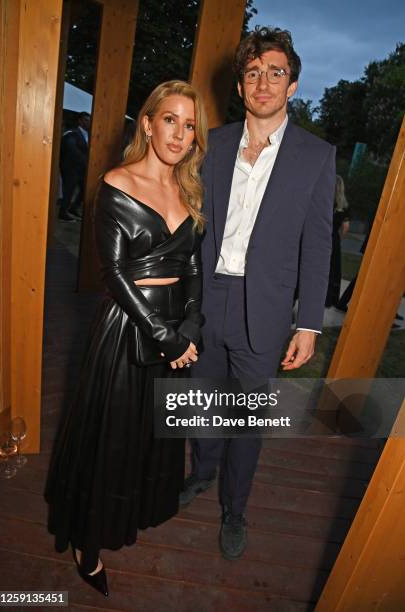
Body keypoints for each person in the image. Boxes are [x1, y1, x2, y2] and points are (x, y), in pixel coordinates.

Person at [45, 80, 207, 596]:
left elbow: (194, 267)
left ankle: (129, 512)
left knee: (149, 437)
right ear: (147, 122)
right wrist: (165, 336)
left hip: (176, 334)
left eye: (189, 126)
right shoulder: (117, 182)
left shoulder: (189, 189)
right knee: (109, 440)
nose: (179, 135)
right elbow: (113, 273)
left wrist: (192, 327)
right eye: (170, 120)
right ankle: (85, 544)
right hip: (127, 331)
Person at [180, 27, 336, 560]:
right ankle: (200, 472)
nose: (263, 82)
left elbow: (318, 247)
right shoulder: (215, 143)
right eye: (252, 73)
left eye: (275, 72)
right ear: (240, 86)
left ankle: (235, 507)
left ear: (292, 85)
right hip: (206, 301)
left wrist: (309, 324)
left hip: (265, 311)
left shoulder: (316, 156)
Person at [59, 111, 90, 221]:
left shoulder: (88, 134)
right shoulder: (72, 133)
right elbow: (72, 150)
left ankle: (73, 208)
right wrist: (87, 161)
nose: (88, 123)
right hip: (70, 168)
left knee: (84, 190)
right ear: (80, 121)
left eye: (89, 120)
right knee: (69, 190)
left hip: (81, 169)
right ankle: (62, 213)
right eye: (86, 120)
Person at [325, 175, 350, 307]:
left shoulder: (324, 202)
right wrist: (338, 238)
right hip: (333, 240)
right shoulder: (344, 206)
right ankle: (328, 299)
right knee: (332, 270)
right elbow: (345, 227)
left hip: (321, 237)